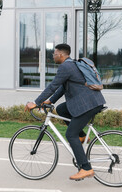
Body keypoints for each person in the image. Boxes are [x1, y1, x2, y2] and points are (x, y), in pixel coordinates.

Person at [25, 43, 106, 181]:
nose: (53, 56)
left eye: (54, 54)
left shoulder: (65, 66)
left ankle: (86, 168)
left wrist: (36, 102)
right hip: (92, 101)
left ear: (61, 55)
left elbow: (53, 86)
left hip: (88, 104)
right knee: (62, 109)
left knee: (70, 134)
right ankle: (81, 136)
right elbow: (62, 88)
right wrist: (50, 101)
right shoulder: (71, 64)